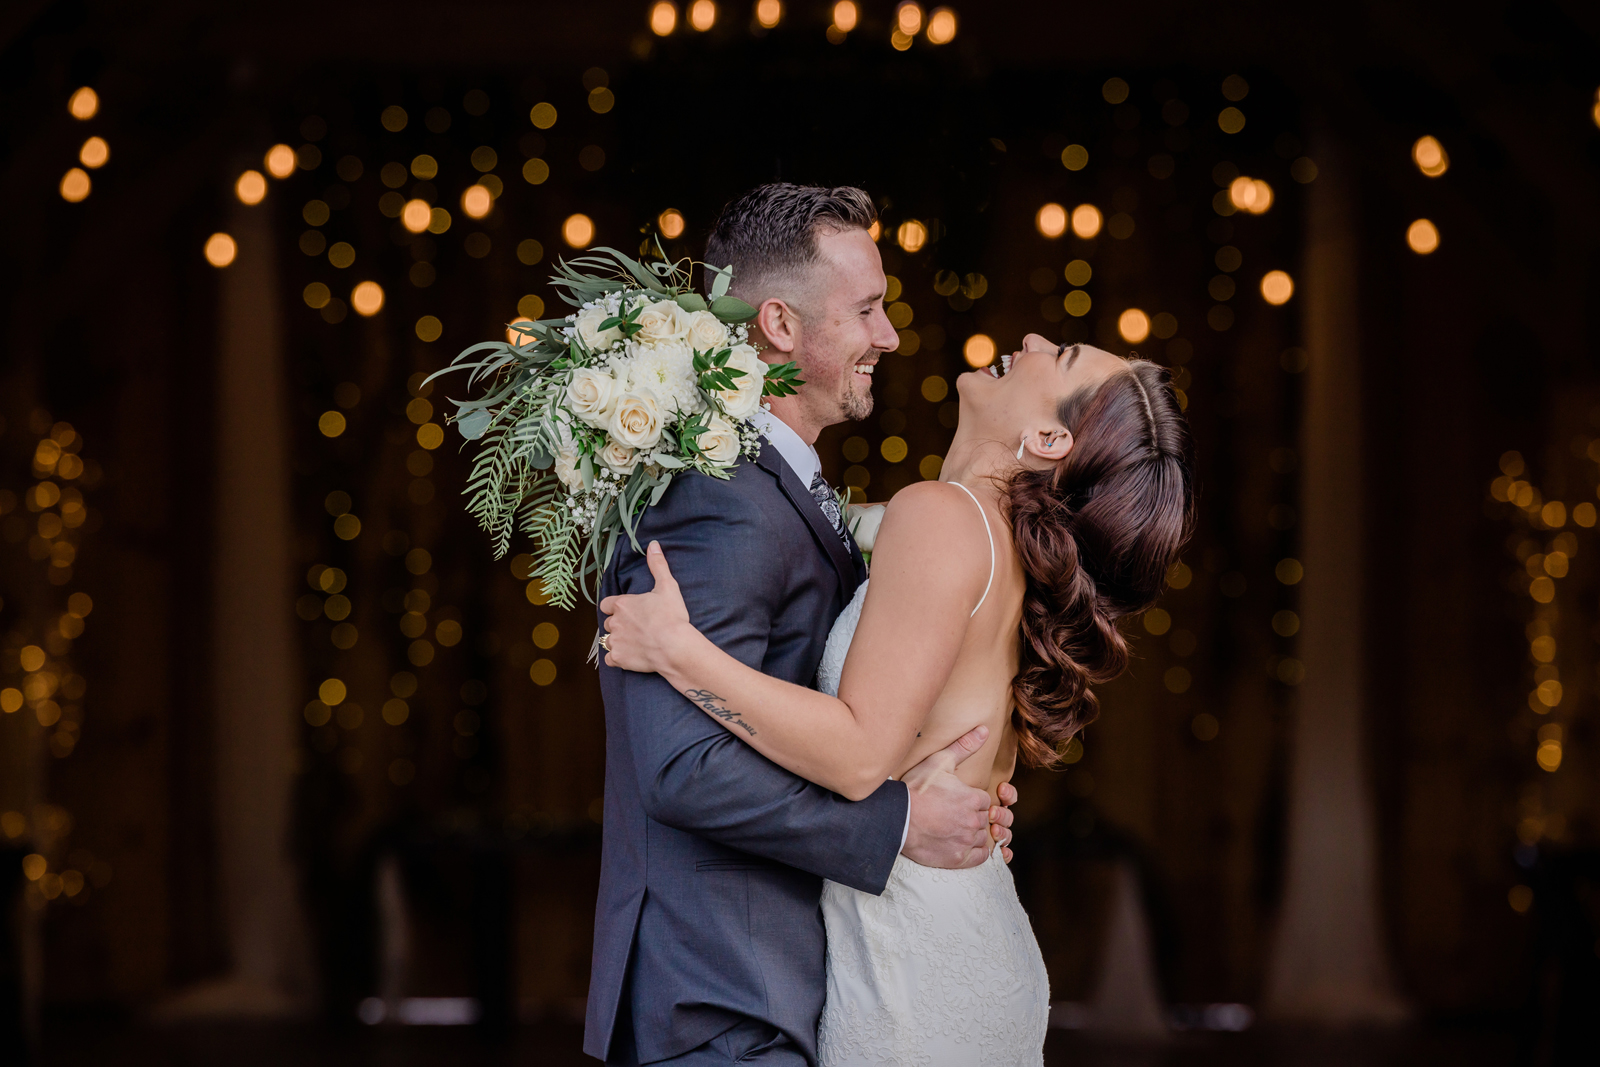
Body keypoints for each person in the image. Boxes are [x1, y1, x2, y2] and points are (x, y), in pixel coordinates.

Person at [601, 332, 1195, 1064]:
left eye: (1061, 353)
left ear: (1048, 437)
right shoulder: (985, 541)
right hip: (955, 947)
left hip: (914, 980)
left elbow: (856, 755)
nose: (1034, 339)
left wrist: (678, 652)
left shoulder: (944, 517)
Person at [584, 183, 1020, 1067]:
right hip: (719, 1000)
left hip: (769, 990)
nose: (890, 337)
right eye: (868, 309)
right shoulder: (719, 496)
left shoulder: (776, 486)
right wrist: (898, 826)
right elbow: (682, 769)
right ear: (779, 326)